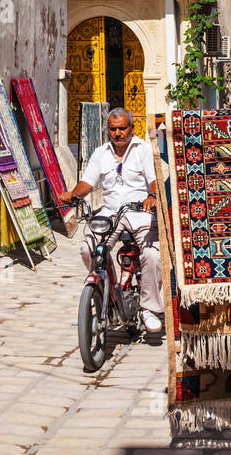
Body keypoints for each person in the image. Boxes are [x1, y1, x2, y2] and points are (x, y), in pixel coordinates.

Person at [60, 107, 163, 334]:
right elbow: (87, 183)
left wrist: (152, 196)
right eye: (113, 129)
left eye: (122, 128)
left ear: (131, 128)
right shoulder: (100, 153)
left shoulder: (144, 150)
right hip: (110, 213)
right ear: (108, 130)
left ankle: (149, 308)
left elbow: (154, 180)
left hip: (138, 212)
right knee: (89, 249)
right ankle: (108, 289)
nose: (117, 133)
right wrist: (73, 195)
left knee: (153, 255)